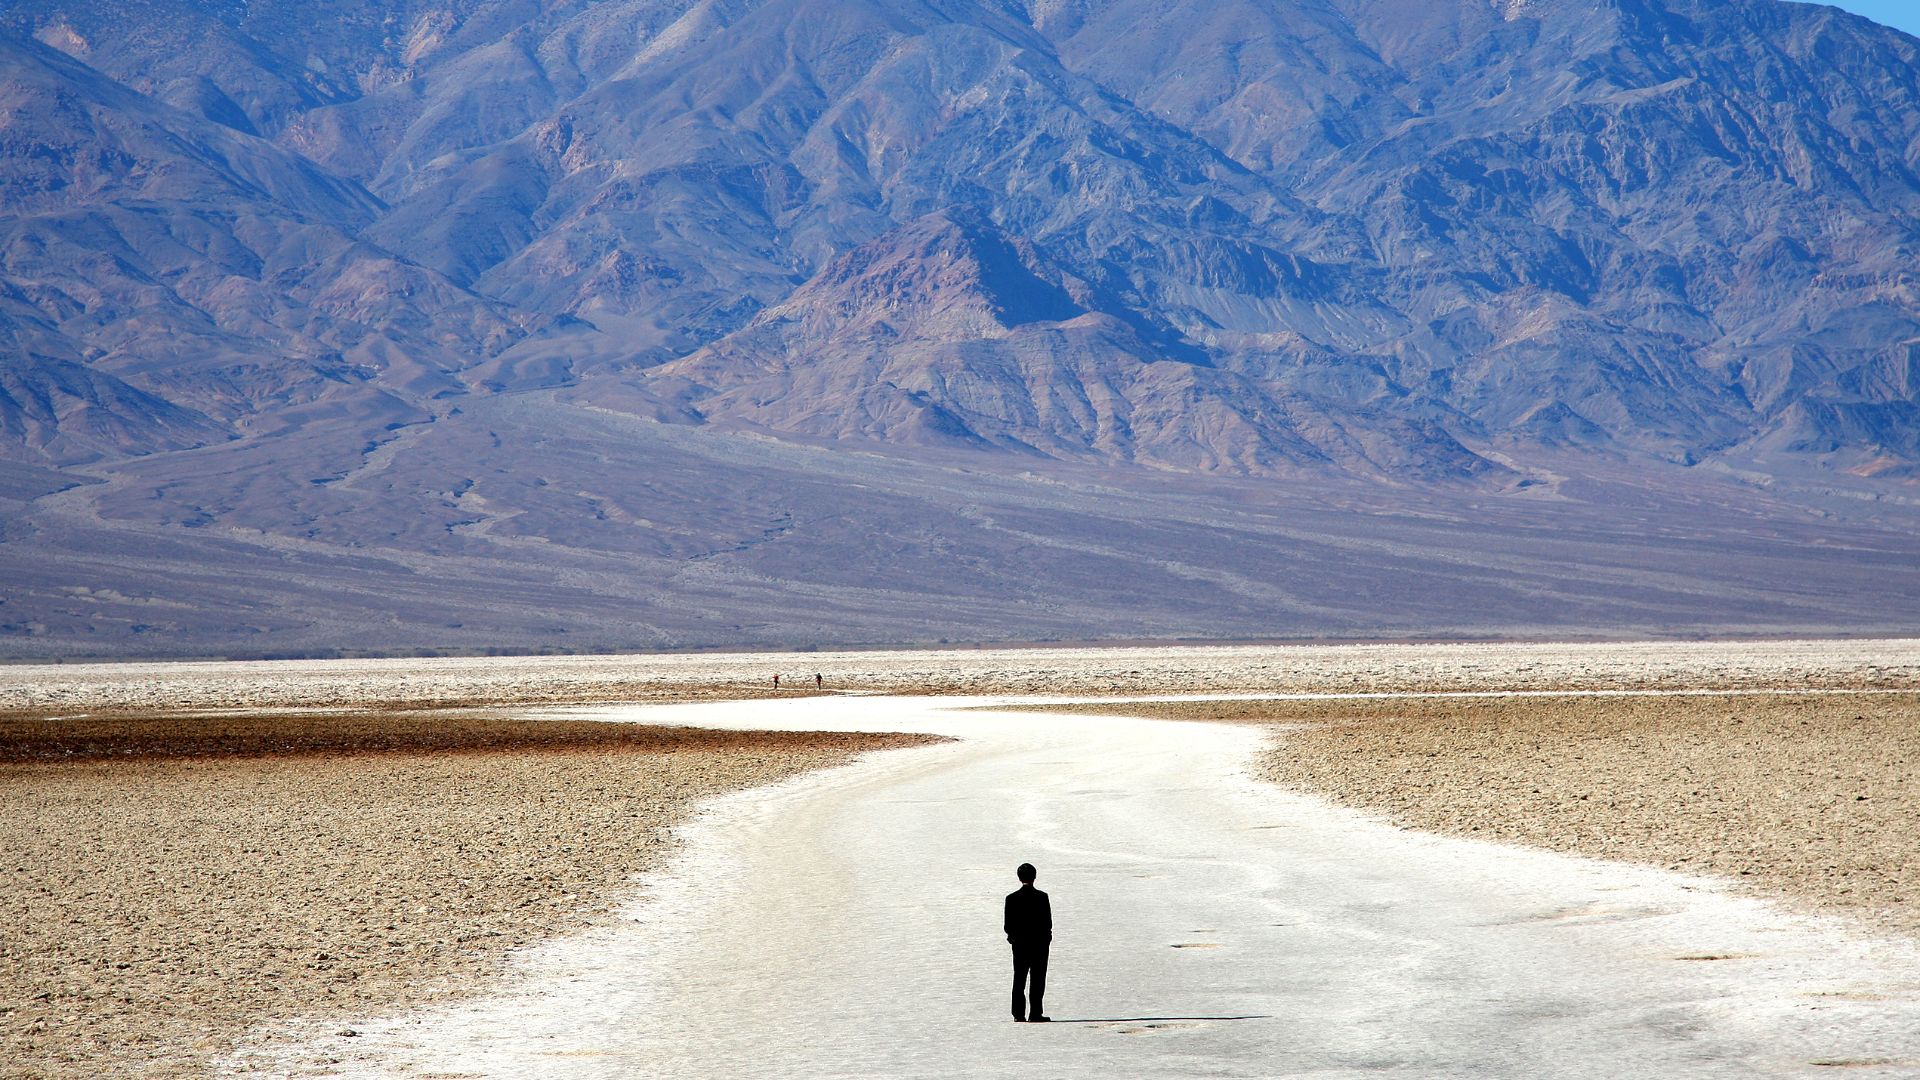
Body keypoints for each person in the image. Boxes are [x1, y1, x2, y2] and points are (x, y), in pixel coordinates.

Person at [1005, 862, 1051, 1022]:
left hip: (1019, 946)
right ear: (1035, 876)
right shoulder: (1042, 897)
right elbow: (1048, 923)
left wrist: (1013, 939)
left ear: (1019, 878)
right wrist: (1046, 940)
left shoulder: (1011, 899)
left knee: (1019, 978)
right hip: (1039, 945)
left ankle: (1018, 1014)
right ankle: (1035, 1013)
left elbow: (1007, 925)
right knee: (1037, 979)